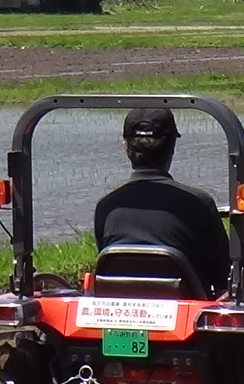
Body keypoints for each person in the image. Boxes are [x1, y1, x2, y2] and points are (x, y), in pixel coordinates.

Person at [92, 104, 231, 295]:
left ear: (125, 146)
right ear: (172, 146)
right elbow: (224, 276)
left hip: (121, 310)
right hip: (187, 316)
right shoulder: (197, 203)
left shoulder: (106, 207)